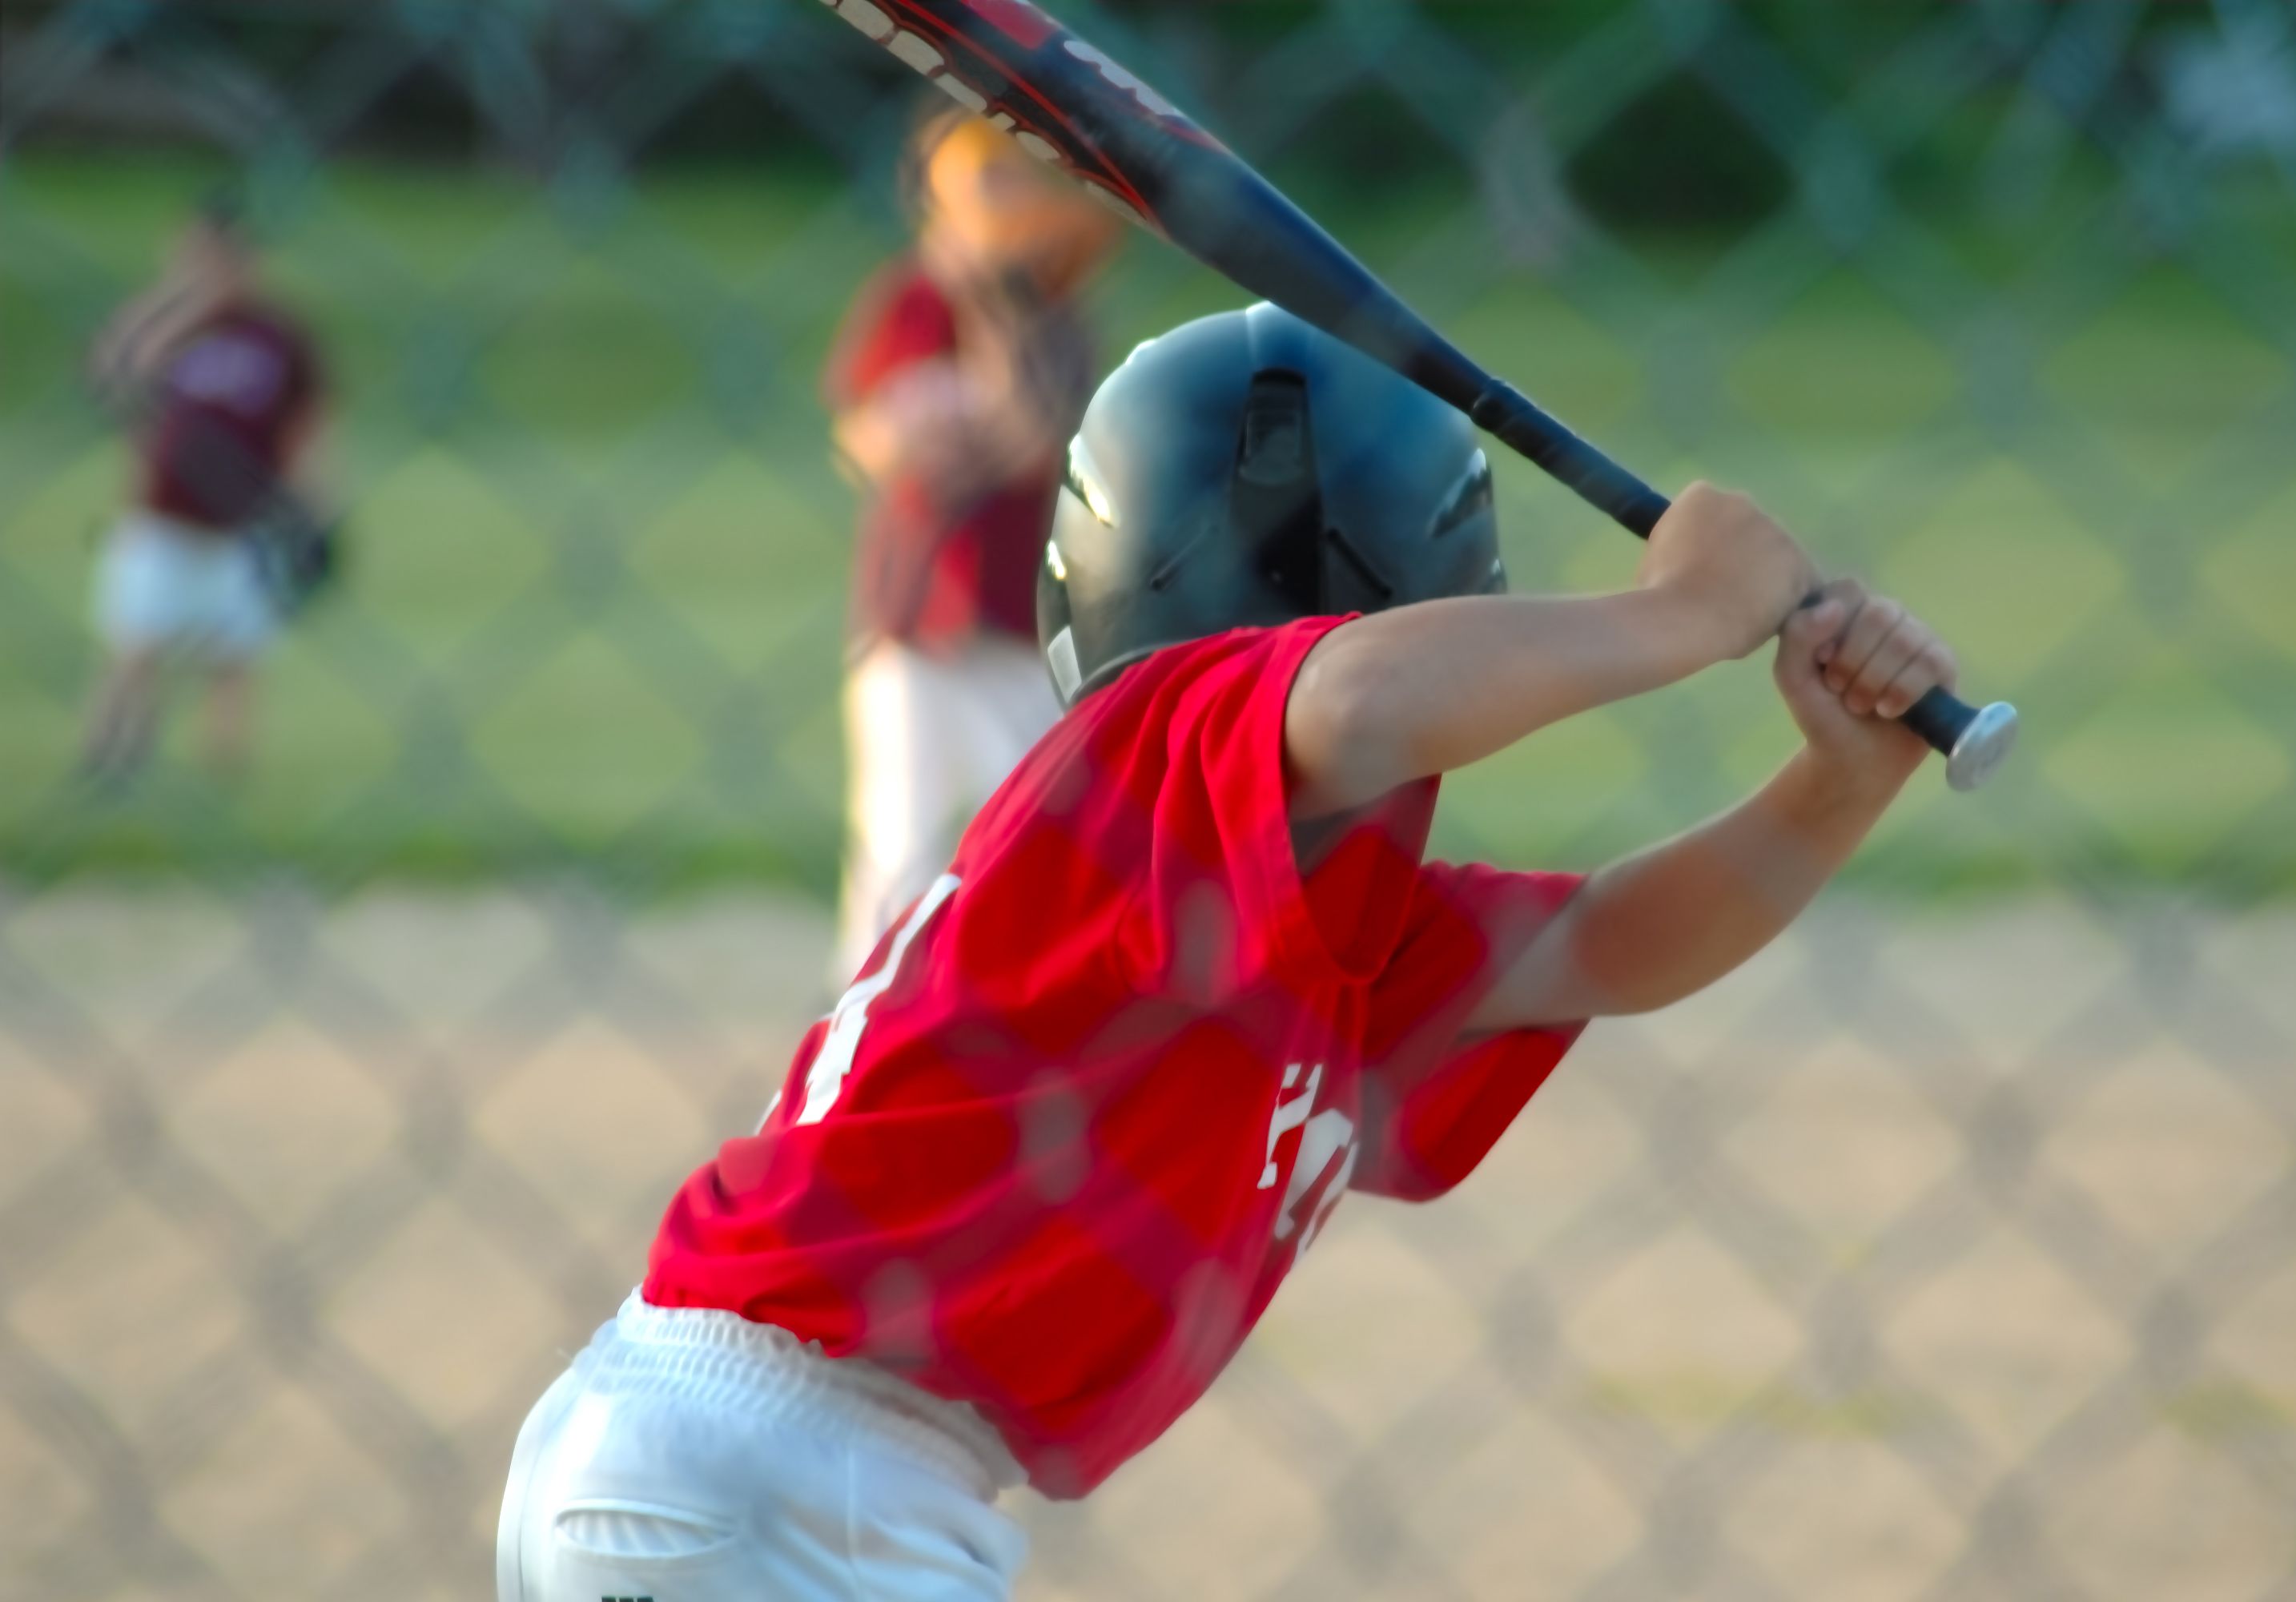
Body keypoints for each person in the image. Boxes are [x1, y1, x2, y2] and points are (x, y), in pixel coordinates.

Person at [497, 304, 1968, 1600]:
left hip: (766, 1476)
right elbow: (1358, 706)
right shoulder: (1136, 759)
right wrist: (1683, 614)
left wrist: (1839, 782)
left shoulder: (1327, 928)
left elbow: (1599, 943)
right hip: (791, 1473)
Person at [826, 107, 1120, 984]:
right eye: (981, 182)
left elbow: (1027, 440)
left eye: (1014, 179)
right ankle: (861, 1021)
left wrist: (995, 307)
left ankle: (1022, 1007)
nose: (1001, 202)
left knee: (1032, 829)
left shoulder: (1054, 307)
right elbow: (868, 440)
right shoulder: (914, 296)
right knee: (899, 834)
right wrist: (921, 423)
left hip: (1020, 618)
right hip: (911, 611)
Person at [79, 194, 329, 784]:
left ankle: (224, 780)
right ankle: (107, 767)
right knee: (135, 650)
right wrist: (178, 304)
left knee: (234, 661)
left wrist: (314, 507)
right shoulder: (169, 328)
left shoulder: (278, 337)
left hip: (243, 526)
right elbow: (111, 373)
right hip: (162, 520)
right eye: (199, 258)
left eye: (224, 258)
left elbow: (309, 423)